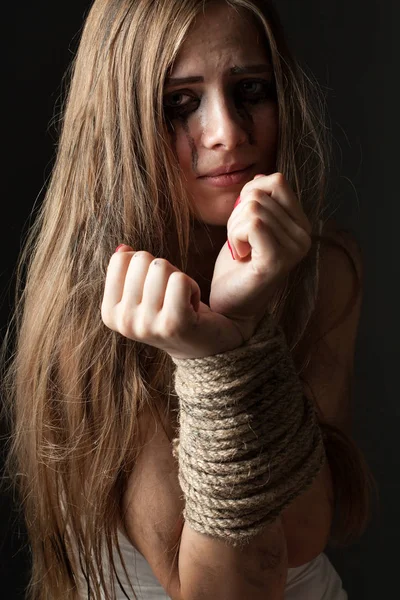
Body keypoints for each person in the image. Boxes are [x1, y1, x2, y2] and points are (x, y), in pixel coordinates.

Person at [1, 0, 379, 599]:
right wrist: (214, 356)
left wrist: (243, 323)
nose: (227, 133)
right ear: (122, 124)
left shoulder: (324, 268)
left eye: (251, 90)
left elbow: (304, 535)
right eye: (180, 103)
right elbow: (217, 590)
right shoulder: (99, 302)